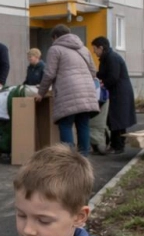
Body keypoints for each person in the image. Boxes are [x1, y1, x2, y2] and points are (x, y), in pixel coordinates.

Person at [34, 26, 99, 156]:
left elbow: (49, 74)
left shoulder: (55, 49)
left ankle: (68, 160)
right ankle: (84, 159)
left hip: (68, 93)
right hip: (87, 93)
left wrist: (41, 93)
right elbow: (93, 71)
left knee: (65, 124)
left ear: (55, 37)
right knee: (83, 125)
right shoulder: (84, 49)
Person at [91, 37, 136, 154]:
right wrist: (94, 75)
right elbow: (103, 74)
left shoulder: (112, 58)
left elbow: (113, 77)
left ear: (101, 47)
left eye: (95, 49)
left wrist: (102, 83)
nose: (94, 52)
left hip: (119, 93)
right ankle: (116, 145)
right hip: (116, 92)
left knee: (116, 120)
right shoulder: (107, 58)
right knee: (114, 120)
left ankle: (118, 146)